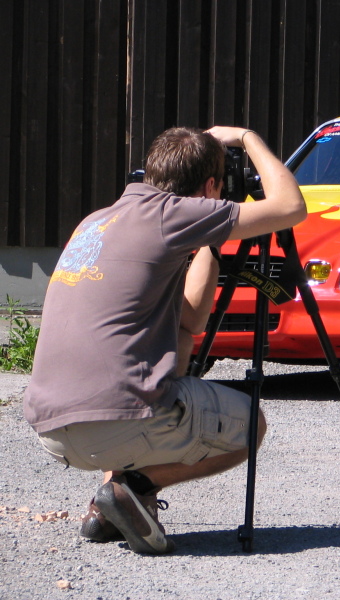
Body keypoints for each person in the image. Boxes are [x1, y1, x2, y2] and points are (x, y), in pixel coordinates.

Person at [23, 126, 306, 554]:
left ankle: (107, 509)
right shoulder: (173, 214)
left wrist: (211, 242)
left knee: (178, 345)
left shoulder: (96, 221)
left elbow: (190, 320)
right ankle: (134, 488)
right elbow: (290, 206)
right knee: (252, 425)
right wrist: (248, 138)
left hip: (51, 430)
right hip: (113, 423)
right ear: (209, 188)